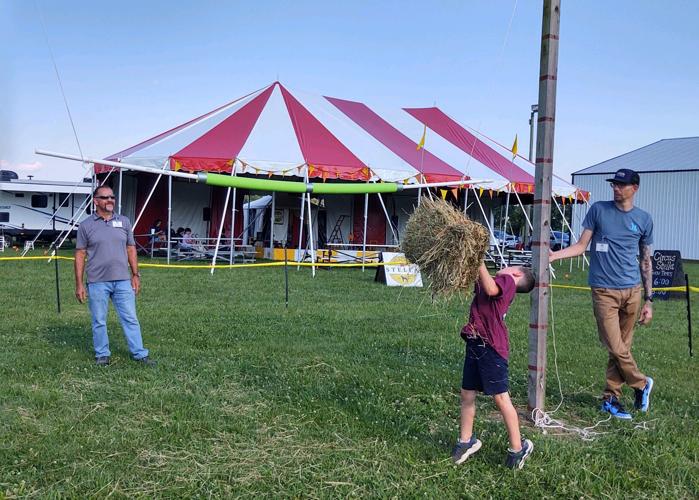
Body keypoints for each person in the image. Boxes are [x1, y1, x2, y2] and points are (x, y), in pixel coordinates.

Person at [550, 168, 653, 420]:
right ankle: (641, 384)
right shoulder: (598, 210)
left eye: (621, 185)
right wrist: (553, 255)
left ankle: (611, 398)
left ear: (634, 188)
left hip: (633, 291)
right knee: (615, 346)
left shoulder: (644, 219)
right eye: (614, 185)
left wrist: (649, 300)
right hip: (604, 291)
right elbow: (580, 246)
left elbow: (646, 261)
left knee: (620, 348)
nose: (616, 188)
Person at [451, 263, 536, 469]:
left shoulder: (507, 282)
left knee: (500, 397)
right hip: (475, 342)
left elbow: (490, 288)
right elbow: (482, 284)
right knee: (467, 393)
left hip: (491, 348)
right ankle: (466, 441)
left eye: (510, 266)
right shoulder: (497, 282)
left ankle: (518, 449)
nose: (505, 267)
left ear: (516, 273)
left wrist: (478, 259)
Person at [75, 185, 156, 367]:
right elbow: (80, 255)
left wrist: (135, 274)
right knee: (99, 320)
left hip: (122, 281)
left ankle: (140, 354)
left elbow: (131, 248)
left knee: (130, 318)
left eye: (112, 197)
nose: (110, 200)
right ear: (96, 201)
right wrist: (79, 284)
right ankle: (102, 354)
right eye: (105, 197)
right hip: (97, 282)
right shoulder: (86, 226)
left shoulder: (124, 222)